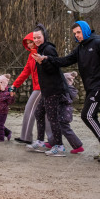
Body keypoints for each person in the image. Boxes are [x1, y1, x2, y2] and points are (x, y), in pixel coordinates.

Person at [34, 20, 100, 162]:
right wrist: (46, 59)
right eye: (75, 34)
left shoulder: (97, 43)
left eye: (79, 32)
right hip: (91, 88)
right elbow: (65, 61)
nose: (77, 36)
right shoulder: (80, 48)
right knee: (89, 116)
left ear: (86, 30)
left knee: (87, 115)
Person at [27, 25, 69, 157]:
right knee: (39, 113)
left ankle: (59, 146)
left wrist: (42, 62)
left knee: (52, 118)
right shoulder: (39, 49)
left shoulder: (49, 49)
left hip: (54, 89)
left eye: (38, 37)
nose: (37, 40)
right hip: (46, 90)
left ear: (44, 36)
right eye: (35, 38)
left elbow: (54, 68)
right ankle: (40, 141)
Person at [11, 32, 53, 145]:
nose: (29, 45)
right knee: (46, 114)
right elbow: (26, 72)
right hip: (39, 87)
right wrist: (15, 85)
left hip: (42, 87)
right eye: (28, 43)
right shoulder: (31, 56)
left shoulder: (42, 53)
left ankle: (26, 137)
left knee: (30, 109)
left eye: (31, 42)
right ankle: (53, 140)